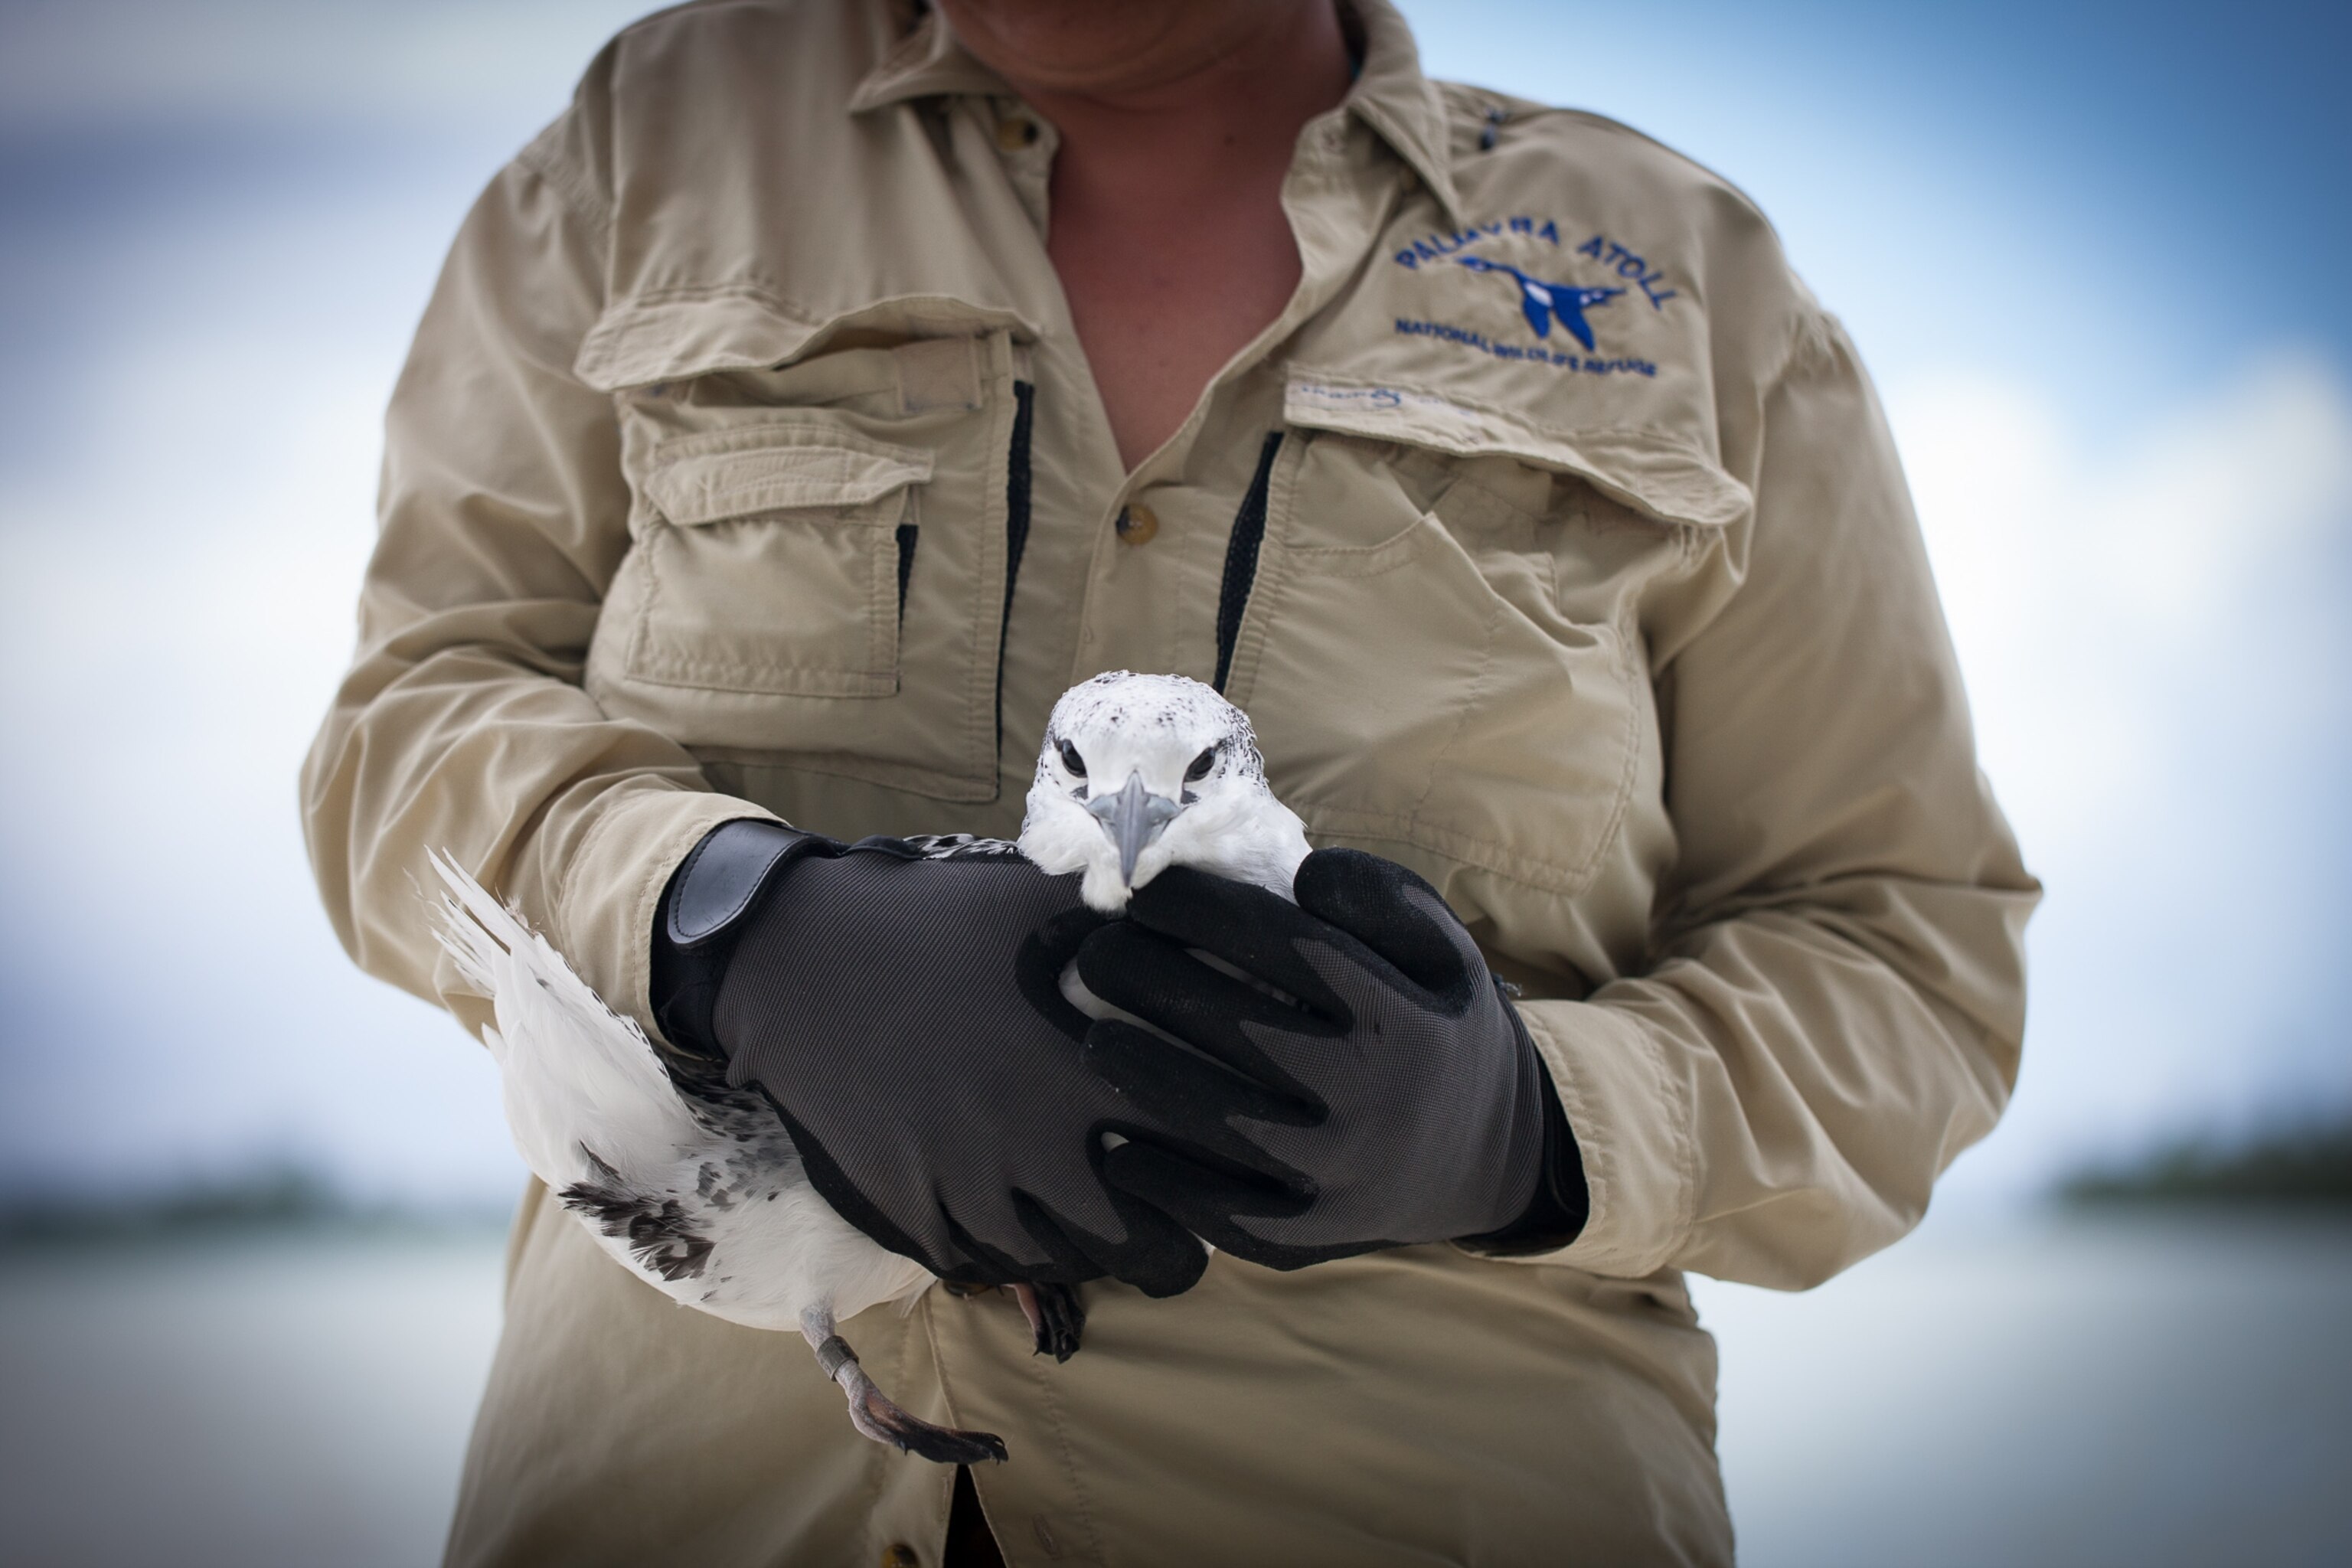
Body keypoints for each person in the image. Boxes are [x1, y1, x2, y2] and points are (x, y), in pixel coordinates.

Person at [300, 0, 2037, 1561]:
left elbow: (1907, 950)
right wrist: (737, 921)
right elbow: (407, 725)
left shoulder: (1689, 283)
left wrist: (1526, 1129)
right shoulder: (653, 136)